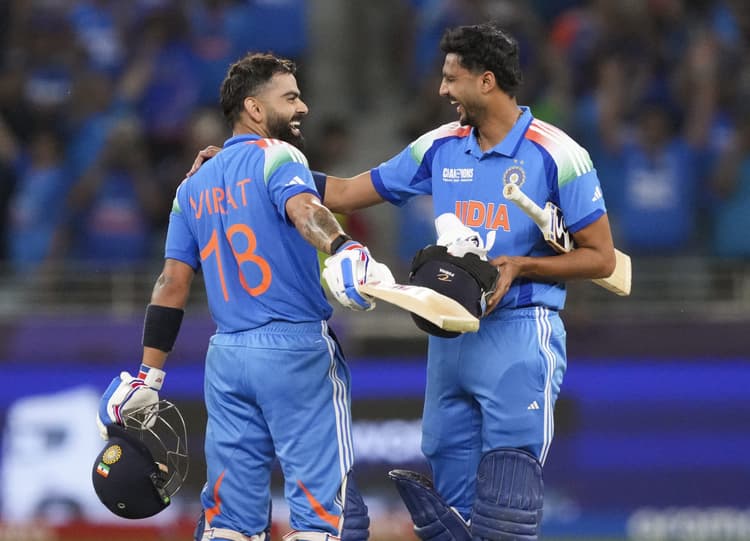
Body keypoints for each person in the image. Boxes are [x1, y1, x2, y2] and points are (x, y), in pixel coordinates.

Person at [189, 23, 617, 540]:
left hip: (520, 329)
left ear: (486, 81)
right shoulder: (440, 145)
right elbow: (345, 192)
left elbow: (601, 258)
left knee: (507, 504)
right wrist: (246, 163)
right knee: (453, 514)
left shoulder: (558, 153)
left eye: (451, 78)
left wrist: (522, 266)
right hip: (449, 334)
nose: (441, 89)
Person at [96, 52, 394, 541]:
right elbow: (306, 209)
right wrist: (343, 247)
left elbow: (171, 283)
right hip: (296, 351)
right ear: (254, 108)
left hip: (228, 357)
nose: (303, 108)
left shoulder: (192, 186)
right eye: (291, 97)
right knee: (325, 520)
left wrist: (149, 375)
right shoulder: (279, 156)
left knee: (229, 524)